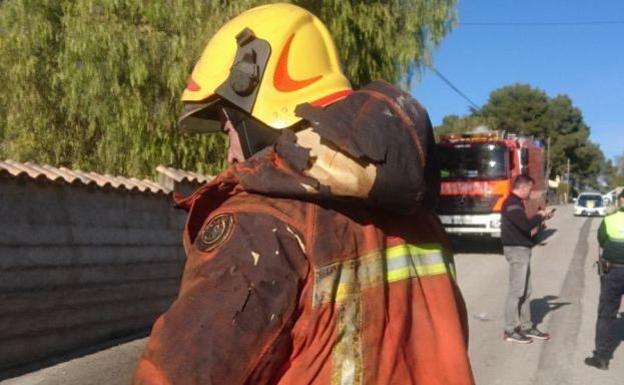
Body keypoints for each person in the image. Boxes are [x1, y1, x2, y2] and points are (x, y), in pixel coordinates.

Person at [131, 4, 474, 385]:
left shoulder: (260, 222)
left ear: (252, 94)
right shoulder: (416, 214)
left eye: (228, 129)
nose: (228, 152)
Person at [501, 174, 554, 344]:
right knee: (516, 291)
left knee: (526, 290)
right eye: (529, 189)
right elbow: (525, 225)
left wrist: (541, 220)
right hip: (516, 251)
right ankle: (510, 329)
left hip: (522, 249)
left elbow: (526, 230)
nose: (530, 193)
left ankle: (526, 326)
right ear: (522, 187)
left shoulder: (517, 204)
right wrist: (539, 215)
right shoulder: (512, 204)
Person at [585, 190, 624, 370]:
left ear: (621, 200)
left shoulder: (610, 219)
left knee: (607, 313)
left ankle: (601, 358)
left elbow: (602, 241)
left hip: (613, 272)